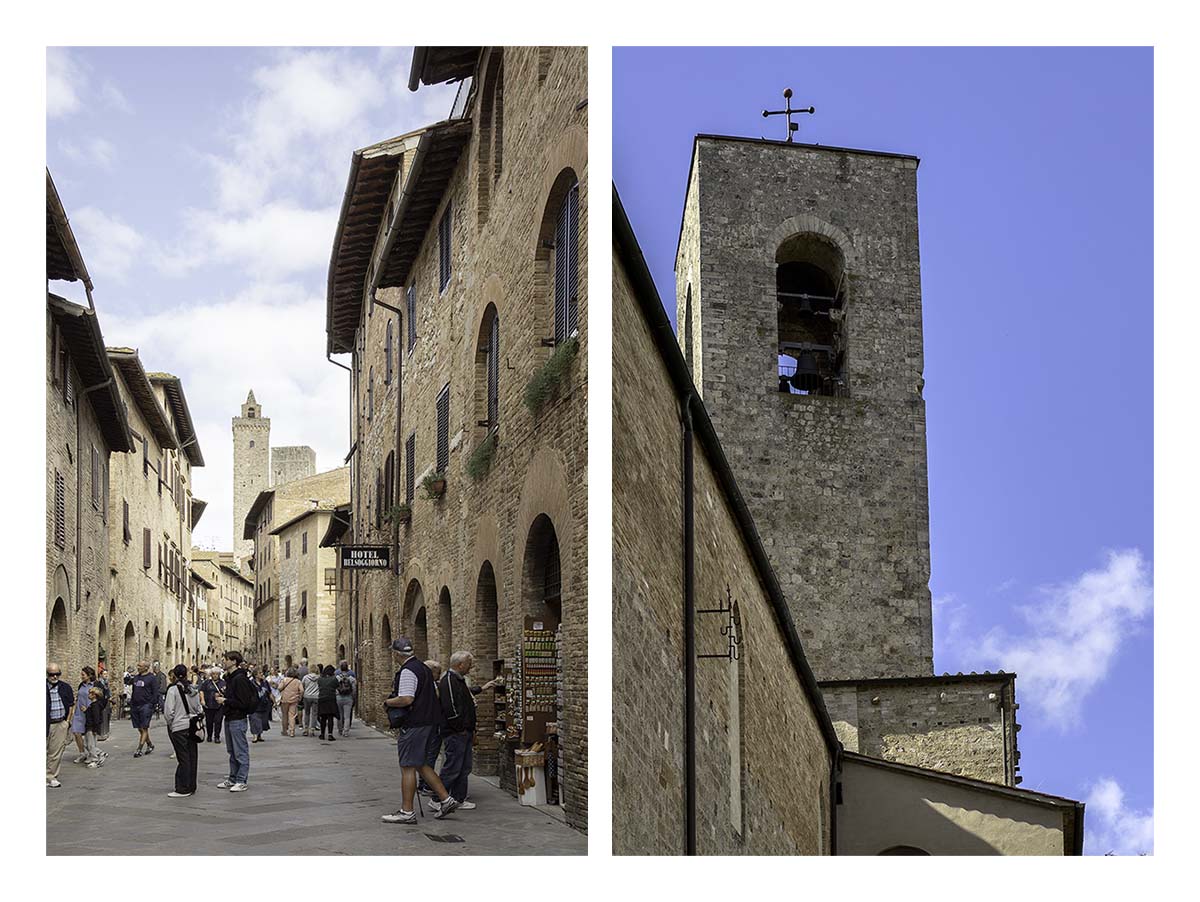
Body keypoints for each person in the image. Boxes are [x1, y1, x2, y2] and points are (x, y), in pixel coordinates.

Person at [381, 637, 459, 824]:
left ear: (397, 654)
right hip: (429, 723)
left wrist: (388, 702)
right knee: (421, 764)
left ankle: (407, 812)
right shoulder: (423, 668)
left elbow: (406, 699)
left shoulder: (408, 671)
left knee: (408, 766)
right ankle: (446, 800)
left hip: (415, 724)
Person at [215, 650, 256, 792]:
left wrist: (225, 700)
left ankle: (241, 780)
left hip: (238, 718)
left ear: (233, 661)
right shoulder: (231, 678)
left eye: (225, 659)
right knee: (231, 750)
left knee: (240, 750)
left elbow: (243, 702)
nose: (223, 661)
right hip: (229, 717)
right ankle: (233, 778)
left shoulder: (240, 679)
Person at [164, 664, 202, 797]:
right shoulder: (193, 689)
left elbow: (168, 712)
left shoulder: (173, 690)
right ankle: (192, 785)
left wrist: (171, 724)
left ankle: (183, 788)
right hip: (192, 726)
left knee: (183, 758)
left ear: (174, 675)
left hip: (179, 727)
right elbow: (199, 708)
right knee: (192, 756)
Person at [46, 663, 74, 787]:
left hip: (60, 723)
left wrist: (67, 722)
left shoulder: (65, 687)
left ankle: (51, 776)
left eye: (57, 674)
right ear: (47, 675)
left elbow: (71, 705)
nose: (55, 677)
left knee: (55, 752)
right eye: (52, 674)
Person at [418, 660, 443, 795]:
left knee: (426, 755)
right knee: (430, 755)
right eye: (437, 672)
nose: (439, 675)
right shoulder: (430, 687)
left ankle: (423, 783)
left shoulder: (424, 685)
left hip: (426, 726)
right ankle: (427, 785)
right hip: (432, 726)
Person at [125, 662, 158, 755]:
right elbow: (128, 682)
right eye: (138, 665)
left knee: (144, 727)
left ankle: (139, 749)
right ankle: (150, 744)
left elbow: (155, 692)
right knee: (139, 727)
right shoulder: (136, 677)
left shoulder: (152, 678)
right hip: (135, 704)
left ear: (146, 668)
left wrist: (152, 704)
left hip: (146, 705)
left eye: (140, 666)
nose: (138, 667)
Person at [70, 666, 96, 764]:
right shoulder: (81, 685)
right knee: (76, 733)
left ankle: (92, 754)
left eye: (83, 674)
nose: (81, 676)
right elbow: (78, 697)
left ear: (89, 675)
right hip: (78, 713)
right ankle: (82, 753)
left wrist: (89, 709)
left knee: (89, 735)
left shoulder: (94, 685)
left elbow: (97, 699)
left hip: (88, 713)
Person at [82, 686, 109, 768]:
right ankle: (95, 755)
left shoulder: (95, 706)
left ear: (94, 695)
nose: (88, 694)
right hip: (88, 726)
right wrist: (86, 711)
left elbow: (96, 718)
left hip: (91, 727)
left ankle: (97, 758)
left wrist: (95, 729)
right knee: (86, 744)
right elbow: (91, 715)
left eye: (90, 693)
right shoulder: (92, 705)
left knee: (90, 744)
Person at [200, 668, 225, 742]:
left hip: (219, 706)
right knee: (209, 721)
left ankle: (217, 736)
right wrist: (202, 700)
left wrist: (221, 694)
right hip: (209, 705)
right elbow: (202, 691)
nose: (215, 675)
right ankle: (209, 735)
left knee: (218, 721)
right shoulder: (207, 683)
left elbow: (227, 692)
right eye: (213, 674)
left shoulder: (223, 683)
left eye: (216, 674)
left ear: (219, 675)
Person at [249, 667, 273, 743]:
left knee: (262, 721)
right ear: (255, 675)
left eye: (262, 673)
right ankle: (255, 736)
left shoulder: (265, 683)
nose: (262, 674)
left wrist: (274, 701)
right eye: (260, 673)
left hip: (264, 704)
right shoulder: (251, 683)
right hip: (254, 705)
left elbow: (269, 692)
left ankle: (259, 735)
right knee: (254, 720)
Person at [316, 665, 339, 741]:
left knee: (323, 718)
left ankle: (322, 734)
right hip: (331, 699)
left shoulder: (320, 679)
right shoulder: (334, 679)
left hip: (322, 699)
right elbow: (337, 686)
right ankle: (330, 734)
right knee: (330, 717)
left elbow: (319, 686)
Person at [278, 667, 302, 737]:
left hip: (285, 700)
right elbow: (302, 690)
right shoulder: (298, 681)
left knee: (284, 715)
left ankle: (284, 730)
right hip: (294, 700)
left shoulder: (284, 680)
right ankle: (292, 731)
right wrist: (300, 697)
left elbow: (279, 688)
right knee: (292, 715)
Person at [334, 661, 356, 737]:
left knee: (339, 715)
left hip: (339, 698)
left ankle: (340, 730)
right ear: (347, 668)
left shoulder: (337, 677)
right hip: (348, 698)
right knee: (347, 716)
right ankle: (346, 731)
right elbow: (354, 690)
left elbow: (335, 688)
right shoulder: (351, 678)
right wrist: (353, 699)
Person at [301, 664, 321, 737]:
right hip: (316, 696)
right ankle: (312, 729)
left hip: (307, 696)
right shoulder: (319, 678)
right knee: (314, 713)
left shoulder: (305, 677)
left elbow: (302, 686)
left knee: (307, 713)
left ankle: (306, 729)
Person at [94, 665, 111, 740]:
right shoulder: (98, 683)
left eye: (106, 674)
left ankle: (105, 732)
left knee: (106, 716)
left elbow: (107, 691)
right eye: (104, 674)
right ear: (100, 675)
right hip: (100, 702)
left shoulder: (106, 683)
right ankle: (99, 733)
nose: (106, 676)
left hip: (105, 702)